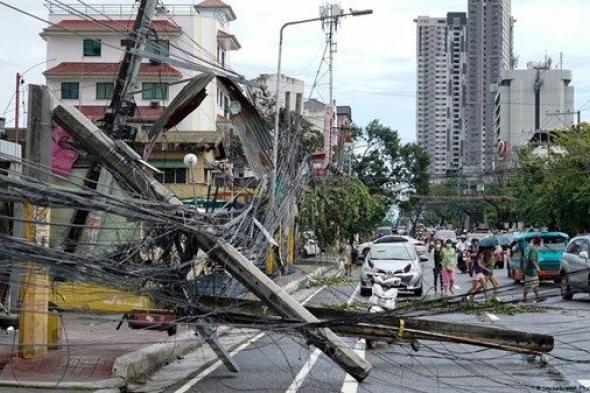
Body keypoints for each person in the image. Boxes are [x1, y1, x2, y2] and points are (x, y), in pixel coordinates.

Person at [523, 237, 542, 302]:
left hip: (530, 270)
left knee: (535, 284)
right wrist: (537, 267)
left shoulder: (531, 247)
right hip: (530, 270)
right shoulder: (533, 249)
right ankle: (525, 298)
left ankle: (538, 297)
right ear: (539, 242)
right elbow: (532, 260)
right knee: (528, 285)